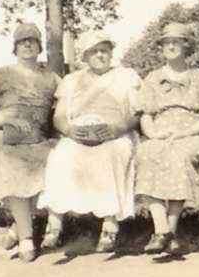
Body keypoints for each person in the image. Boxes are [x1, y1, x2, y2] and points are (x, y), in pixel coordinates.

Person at [37, 30, 141, 253]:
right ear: (84, 56)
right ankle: (54, 225)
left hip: (114, 132)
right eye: (94, 51)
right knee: (61, 156)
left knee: (112, 154)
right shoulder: (71, 80)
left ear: (111, 53)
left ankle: (110, 225)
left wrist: (117, 128)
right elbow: (60, 117)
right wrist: (70, 131)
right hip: (79, 132)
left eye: (104, 50)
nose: (100, 55)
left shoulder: (125, 76)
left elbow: (136, 114)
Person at [136, 22, 199, 255]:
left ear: (187, 46)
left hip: (192, 134)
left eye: (176, 41)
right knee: (146, 154)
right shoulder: (153, 78)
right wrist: (154, 134)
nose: (170, 46)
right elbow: (145, 115)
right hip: (161, 134)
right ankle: (163, 229)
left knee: (177, 156)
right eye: (166, 42)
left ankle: (166, 232)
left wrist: (186, 133)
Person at [0, 23, 60, 262]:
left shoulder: (52, 78)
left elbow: (67, 105)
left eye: (32, 40)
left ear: (39, 46)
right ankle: (26, 239)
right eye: (22, 41)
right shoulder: (2, 74)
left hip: (38, 140)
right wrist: (7, 119)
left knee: (58, 161)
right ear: (15, 47)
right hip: (5, 138)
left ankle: (18, 227)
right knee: (10, 162)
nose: (27, 44)